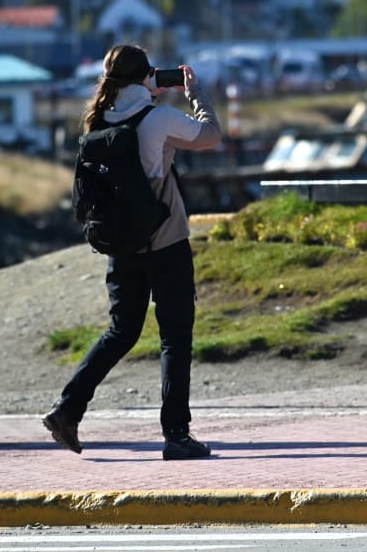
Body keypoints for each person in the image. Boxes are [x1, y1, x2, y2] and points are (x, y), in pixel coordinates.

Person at [43, 43, 222, 460]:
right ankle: (177, 435)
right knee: (175, 338)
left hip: (122, 245)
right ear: (146, 78)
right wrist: (196, 95)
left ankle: (67, 410)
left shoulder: (98, 118)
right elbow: (210, 136)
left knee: (121, 331)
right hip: (166, 241)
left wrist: (147, 91)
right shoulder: (158, 118)